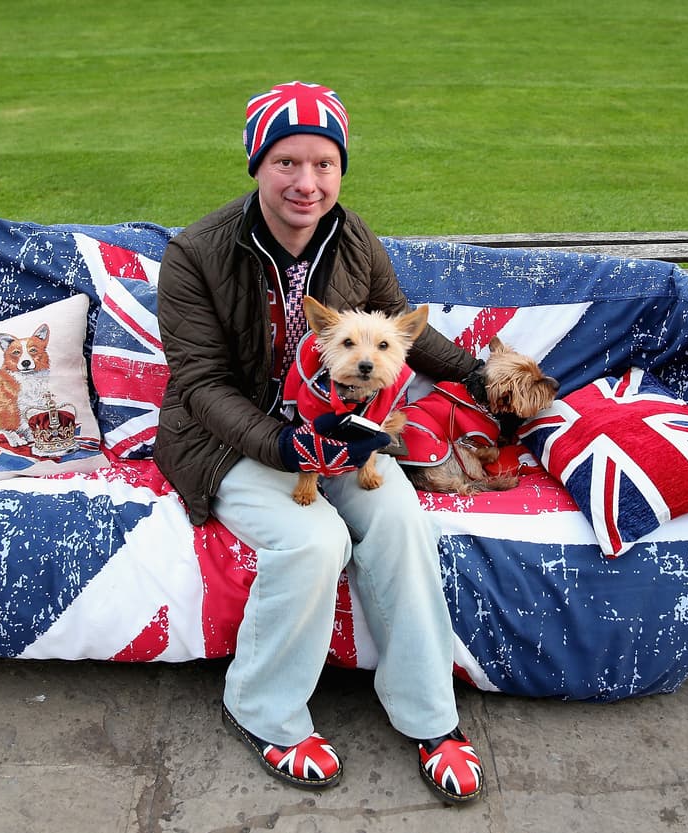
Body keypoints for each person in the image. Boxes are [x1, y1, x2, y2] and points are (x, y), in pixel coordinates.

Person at [153, 80, 485, 804]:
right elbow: (200, 383)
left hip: (339, 434)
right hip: (227, 441)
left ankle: (430, 716)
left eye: (324, 164)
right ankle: (261, 708)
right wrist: (283, 446)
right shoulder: (196, 252)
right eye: (287, 162)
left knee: (400, 521)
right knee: (314, 539)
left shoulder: (353, 236)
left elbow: (400, 326)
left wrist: (479, 376)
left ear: (340, 169)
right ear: (257, 165)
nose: (307, 183)